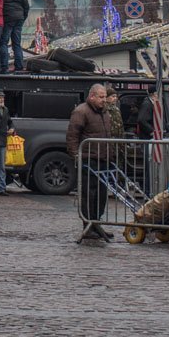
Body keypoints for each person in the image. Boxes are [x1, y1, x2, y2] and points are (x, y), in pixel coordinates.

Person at [68, 83, 114, 240]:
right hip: (88, 159)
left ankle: (96, 224)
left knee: (101, 195)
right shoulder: (81, 111)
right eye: (101, 97)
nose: (104, 100)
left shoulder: (105, 112)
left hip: (103, 159)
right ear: (92, 96)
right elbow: (72, 136)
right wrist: (76, 155)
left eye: (105, 97)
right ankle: (88, 226)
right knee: (89, 194)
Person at [0, 0, 30, 72]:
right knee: (17, 44)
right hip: (19, 18)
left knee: (3, 43)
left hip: (7, 18)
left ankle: (4, 66)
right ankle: (19, 66)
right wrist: (22, 17)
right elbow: (26, 6)